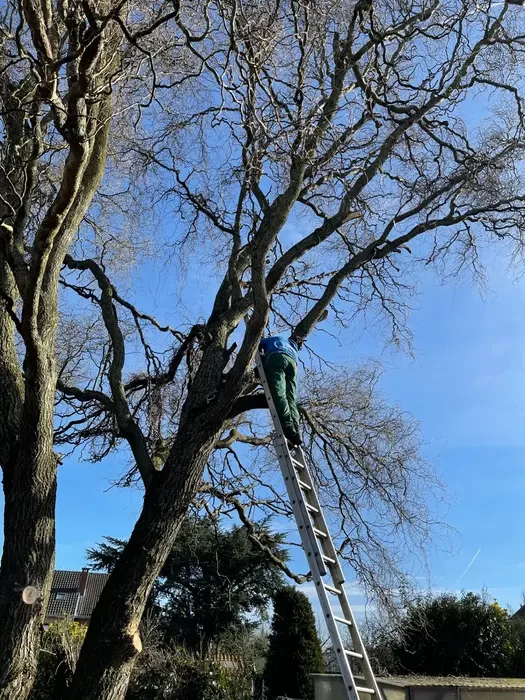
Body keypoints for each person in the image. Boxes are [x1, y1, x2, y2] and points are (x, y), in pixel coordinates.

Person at [259, 332, 304, 446]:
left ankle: (289, 428)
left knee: (280, 394)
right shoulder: (295, 350)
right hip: (293, 364)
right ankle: (296, 429)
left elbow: (258, 343)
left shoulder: (279, 339)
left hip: (277, 357)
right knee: (291, 399)